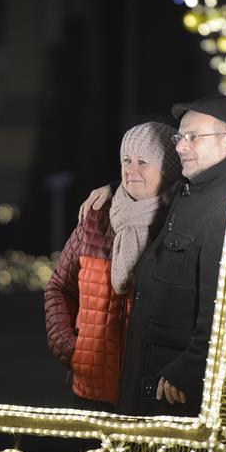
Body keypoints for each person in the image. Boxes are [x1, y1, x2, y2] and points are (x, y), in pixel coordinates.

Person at [78, 95, 226, 415]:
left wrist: (192, 366)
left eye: (193, 137)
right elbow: (153, 184)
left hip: (174, 379)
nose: (180, 146)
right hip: (150, 363)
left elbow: (225, 302)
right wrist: (116, 188)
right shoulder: (194, 187)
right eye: (181, 137)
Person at [44, 122, 181, 407]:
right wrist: (70, 348)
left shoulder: (180, 222)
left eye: (143, 162)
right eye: (126, 160)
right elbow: (59, 287)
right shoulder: (97, 215)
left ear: (168, 169)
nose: (131, 170)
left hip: (153, 393)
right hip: (92, 388)